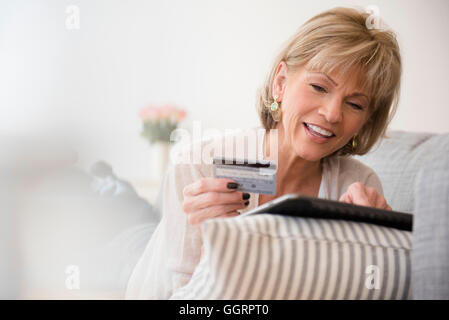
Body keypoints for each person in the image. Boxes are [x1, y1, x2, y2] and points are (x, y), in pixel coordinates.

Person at [125, 6, 402, 299]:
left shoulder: (359, 187)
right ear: (280, 82)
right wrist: (212, 252)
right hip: (147, 276)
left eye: (355, 104)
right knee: (125, 223)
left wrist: (384, 248)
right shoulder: (199, 164)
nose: (332, 114)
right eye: (319, 87)